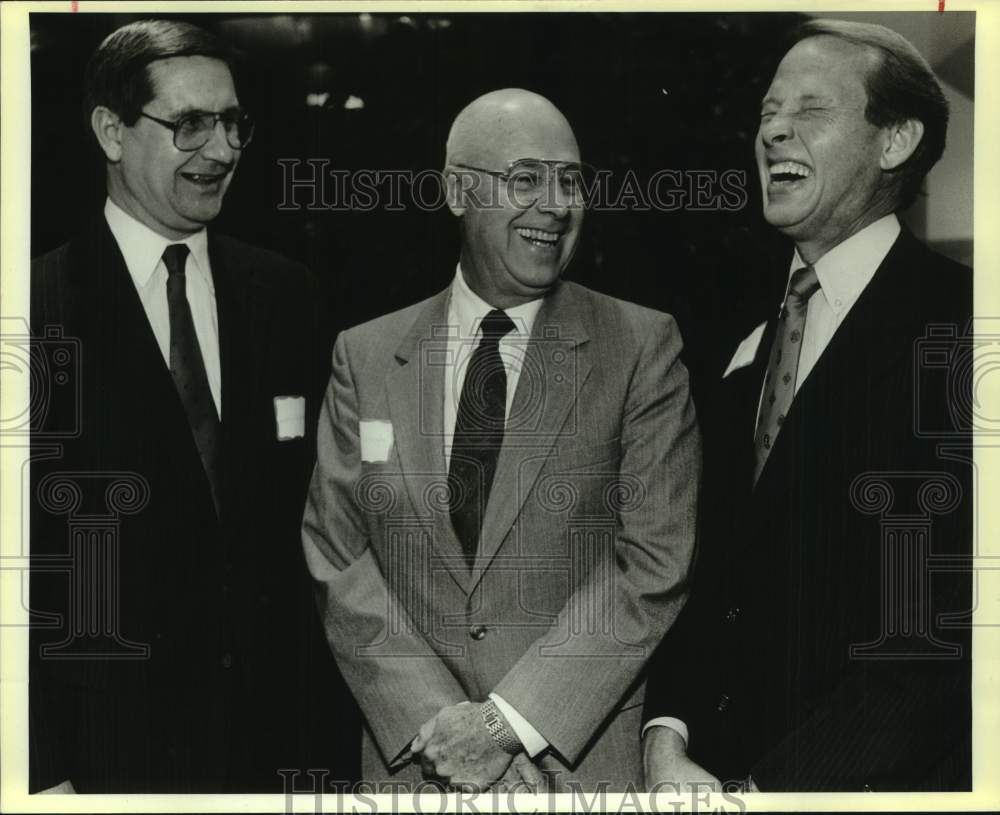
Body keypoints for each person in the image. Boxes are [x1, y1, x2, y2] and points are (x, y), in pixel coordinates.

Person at [302, 88, 700, 791]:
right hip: (413, 770)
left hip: (574, 773)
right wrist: (440, 724)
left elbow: (654, 561)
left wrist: (507, 724)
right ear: (457, 190)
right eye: (525, 179)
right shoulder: (365, 353)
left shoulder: (641, 346)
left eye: (570, 180)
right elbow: (338, 553)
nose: (554, 204)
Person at [642, 19, 972, 792]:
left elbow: (932, 641)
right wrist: (667, 740)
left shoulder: (964, 332)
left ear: (894, 142)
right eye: (766, 113)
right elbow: (710, 574)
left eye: (810, 111)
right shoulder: (743, 338)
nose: (774, 132)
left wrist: (765, 796)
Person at [29, 19, 354, 792]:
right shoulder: (34, 310)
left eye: (234, 122)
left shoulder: (287, 295)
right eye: (190, 125)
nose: (222, 150)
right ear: (112, 130)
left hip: (280, 749)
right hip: (107, 761)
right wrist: (39, 773)